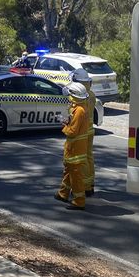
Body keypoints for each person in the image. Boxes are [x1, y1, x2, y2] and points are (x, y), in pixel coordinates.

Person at [54, 82, 89, 210]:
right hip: (74, 148)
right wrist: (66, 119)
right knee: (68, 171)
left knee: (76, 175)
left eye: (70, 95)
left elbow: (73, 131)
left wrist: (65, 127)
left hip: (75, 150)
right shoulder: (78, 108)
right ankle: (63, 194)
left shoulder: (79, 110)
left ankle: (79, 201)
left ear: (74, 96)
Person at [70, 69, 96, 197]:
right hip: (90, 130)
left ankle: (84, 187)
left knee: (81, 159)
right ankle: (90, 184)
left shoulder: (81, 96)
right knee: (89, 157)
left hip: (82, 132)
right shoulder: (91, 94)